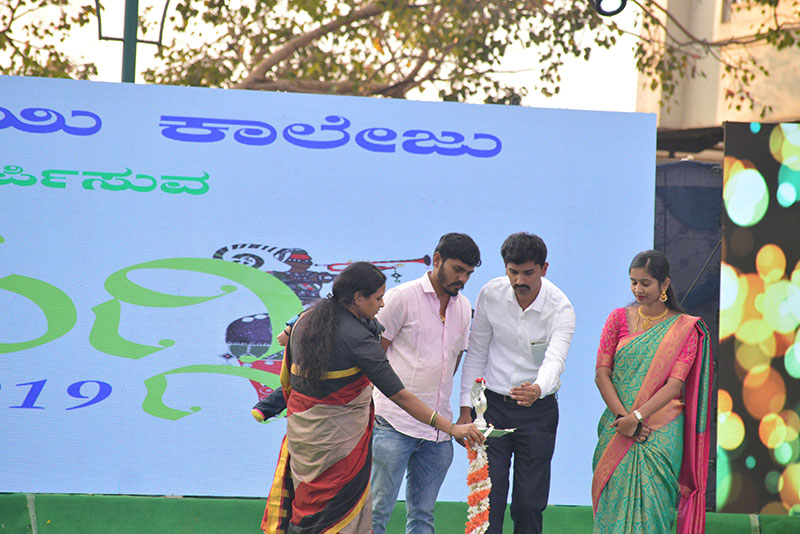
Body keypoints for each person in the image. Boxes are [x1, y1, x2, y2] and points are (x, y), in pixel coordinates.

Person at [262, 261, 485, 534]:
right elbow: (400, 396)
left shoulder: (304, 322)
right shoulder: (359, 340)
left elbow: (292, 382)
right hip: (341, 447)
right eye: (378, 298)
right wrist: (451, 428)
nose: (382, 304)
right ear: (359, 298)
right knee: (337, 516)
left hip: (304, 441)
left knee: (305, 507)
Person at [458, 232, 575, 534]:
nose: (519, 280)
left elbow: (555, 359)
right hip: (492, 410)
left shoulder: (561, 307)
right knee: (489, 498)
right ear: (505, 268)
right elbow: (476, 353)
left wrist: (538, 388)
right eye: (513, 272)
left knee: (528, 504)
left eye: (528, 273)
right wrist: (465, 409)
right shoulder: (490, 294)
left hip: (538, 411)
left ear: (544, 269)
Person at [591, 250, 712, 534]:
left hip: (660, 428)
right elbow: (601, 374)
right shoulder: (618, 319)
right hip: (618, 426)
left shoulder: (684, 328)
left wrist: (637, 417)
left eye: (645, 283)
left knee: (653, 508)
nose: (638, 289)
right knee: (613, 506)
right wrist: (624, 420)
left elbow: (674, 385)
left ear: (664, 284)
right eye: (633, 282)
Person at [371, 233, 482, 534]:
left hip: (438, 433)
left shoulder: (464, 307)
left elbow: (454, 361)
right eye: (457, 270)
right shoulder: (401, 297)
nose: (462, 279)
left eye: (469, 273)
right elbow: (373, 358)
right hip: (392, 424)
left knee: (423, 516)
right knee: (377, 512)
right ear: (436, 260)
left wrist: (461, 412)